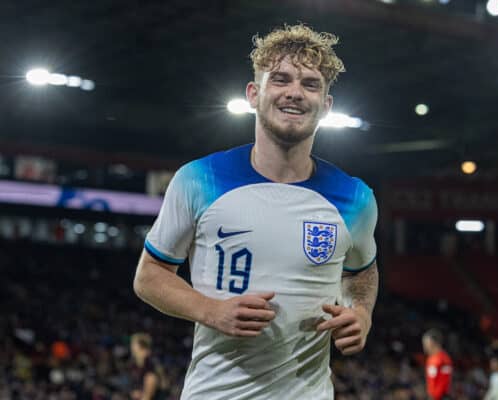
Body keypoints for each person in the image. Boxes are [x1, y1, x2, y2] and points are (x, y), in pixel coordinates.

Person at [133, 23, 379, 400]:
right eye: (280, 79)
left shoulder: (355, 198)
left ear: (326, 105)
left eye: (310, 84)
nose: (295, 93)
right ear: (253, 93)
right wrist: (210, 311)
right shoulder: (198, 179)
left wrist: (361, 313)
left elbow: (362, 273)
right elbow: (149, 275)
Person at [129, 333, 166, 400]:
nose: (132, 348)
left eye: (134, 345)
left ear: (143, 349)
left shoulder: (151, 367)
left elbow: (147, 396)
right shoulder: (135, 366)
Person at [422, 329, 453, 400]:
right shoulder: (429, 359)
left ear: (433, 342)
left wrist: (436, 396)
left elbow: (445, 381)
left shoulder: (444, 359)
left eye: (426, 342)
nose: (424, 345)